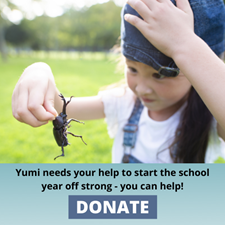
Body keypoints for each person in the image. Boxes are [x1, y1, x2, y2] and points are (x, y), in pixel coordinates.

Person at [12, 0, 225, 163]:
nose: (141, 88)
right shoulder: (123, 102)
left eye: (160, 74)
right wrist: (38, 70)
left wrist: (185, 44)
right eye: (132, 69)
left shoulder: (210, 119)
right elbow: (59, 108)